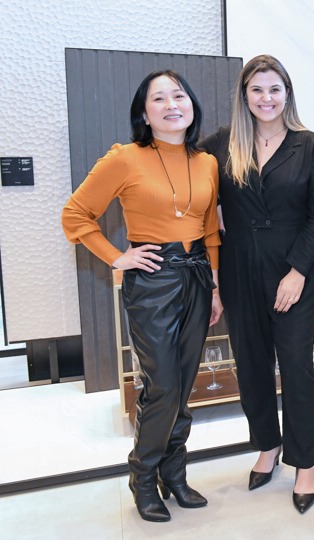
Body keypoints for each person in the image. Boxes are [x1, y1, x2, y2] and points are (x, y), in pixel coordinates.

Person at [62, 70, 221, 522]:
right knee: (163, 384)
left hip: (197, 276)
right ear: (144, 113)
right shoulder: (125, 158)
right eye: (159, 98)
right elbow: (75, 215)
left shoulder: (207, 162)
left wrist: (214, 287)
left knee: (184, 384)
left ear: (191, 105)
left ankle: (175, 474)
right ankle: (143, 475)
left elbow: (210, 230)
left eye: (179, 96)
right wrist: (117, 257)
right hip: (153, 281)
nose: (172, 105)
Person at [200, 55, 314, 514]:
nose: (266, 98)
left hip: (294, 271)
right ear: (244, 95)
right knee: (252, 365)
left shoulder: (309, 145)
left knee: (295, 366)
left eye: (275, 89)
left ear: (287, 94)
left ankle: (305, 461)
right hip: (239, 270)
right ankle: (267, 445)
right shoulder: (222, 143)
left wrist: (297, 271)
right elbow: (184, 175)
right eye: (257, 89)